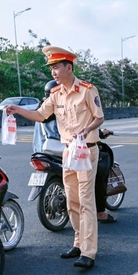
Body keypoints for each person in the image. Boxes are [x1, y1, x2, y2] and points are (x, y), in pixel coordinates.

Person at [6, 46, 104, 269]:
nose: (53, 72)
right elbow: (41, 115)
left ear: (69, 67)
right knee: (72, 200)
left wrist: (86, 129)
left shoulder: (88, 90)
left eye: (56, 67)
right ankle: (78, 243)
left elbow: (99, 118)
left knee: (86, 200)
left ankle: (89, 252)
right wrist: (17, 110)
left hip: (86, 150)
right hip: (68, 151)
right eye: (51, 68)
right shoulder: (55, 94)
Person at [33, 80, 116, 223]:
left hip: (41, 152)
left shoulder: (41, 110)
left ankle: (50, 212)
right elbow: (71, 132)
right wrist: (98, 133)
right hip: (63, 151)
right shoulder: (57, 108)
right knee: (98, 172)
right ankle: (100, 212)